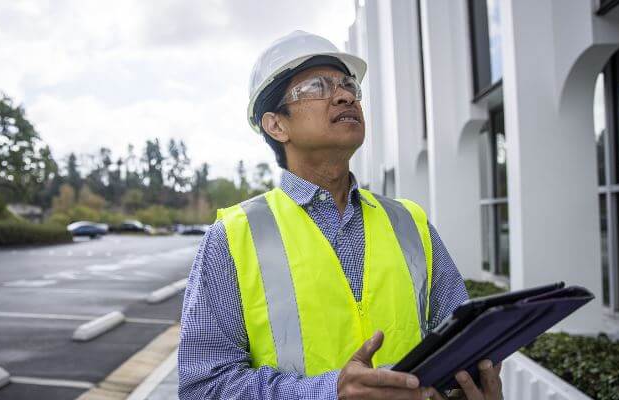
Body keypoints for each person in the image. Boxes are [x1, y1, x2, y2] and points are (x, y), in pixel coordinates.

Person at [178, 30, 503, 400]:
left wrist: (471, 381)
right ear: (276, 125)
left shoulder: (411, 223)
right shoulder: (232, 237)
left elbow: (464, 341)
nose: (346, 95)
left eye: (348, 85)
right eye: (317, 86)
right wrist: (330, 392)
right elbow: (203, 387)